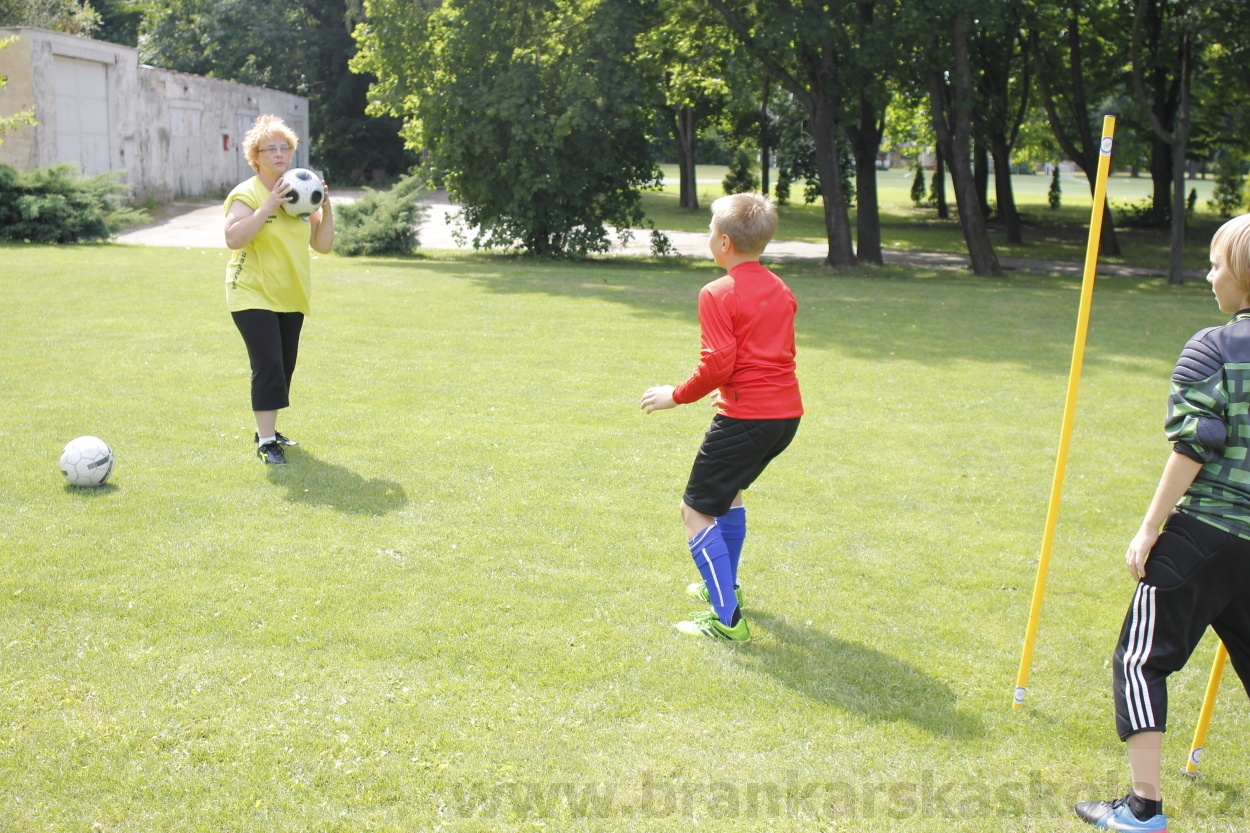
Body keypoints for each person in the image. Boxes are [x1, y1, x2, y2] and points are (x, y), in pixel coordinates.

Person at [1076, 212, 1250, 833]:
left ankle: (1142, 808)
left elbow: (1193, 446)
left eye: (1216, 264)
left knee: (1140, 660)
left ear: (1243, 276)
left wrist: (1150, 528)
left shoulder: (1212, 347)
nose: (1209, 276)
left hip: (1202, 535)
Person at [640, 193, 802, 641]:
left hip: (748, 419)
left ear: (725, 242)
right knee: (729, 496)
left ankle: (727, 618)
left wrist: (676, 395)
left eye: (711, 231)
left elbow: (718, 365)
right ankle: (725, 586)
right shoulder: (780, 287)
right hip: (785, 417)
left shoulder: (717, 292)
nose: (709, 238)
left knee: (694, 510)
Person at [223, 114, 334, 465]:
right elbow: (233, 237)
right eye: (269, 149)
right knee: (269, 364)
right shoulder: (248, 193)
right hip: (251, 292)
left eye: (285, 148)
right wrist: (268, 204)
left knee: (284, 365)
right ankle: (267, 442)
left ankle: (267, 429)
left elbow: (323, 245)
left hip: (291, 293)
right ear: (255, 156)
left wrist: (326, 207)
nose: (278, 154)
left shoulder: (303, 190)